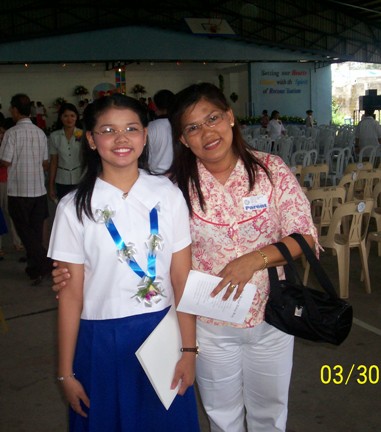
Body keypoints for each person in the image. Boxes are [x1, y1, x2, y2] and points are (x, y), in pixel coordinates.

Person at [52, 83, 318, 432]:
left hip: (272, 314)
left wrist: (255, 260)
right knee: (222, 415)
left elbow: (306, 236)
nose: (207, 132)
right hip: (209, 322)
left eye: (213, 118)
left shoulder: (269, 170)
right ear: (182, 139)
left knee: (270, 411)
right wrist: (75, 271)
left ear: (230, 118)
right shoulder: (176, 186)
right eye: (192, 127)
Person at [47, 93, 200, 432]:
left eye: (131, 128)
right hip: (99, 339)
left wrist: (189, 349)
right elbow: (70, 295)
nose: (121, 139)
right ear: (90, 139)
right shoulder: (73, 207)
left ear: (145, 136)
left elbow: (181, 278)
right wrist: (65, 372)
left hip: (162, 331)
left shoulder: (167, 194)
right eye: (107, 130)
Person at [0, 93, 51, 284]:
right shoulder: (39, 133)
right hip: (38, 189)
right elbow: (45, 162)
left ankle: (45, 263)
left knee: (25, 232)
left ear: (14, 110)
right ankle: (35, 269)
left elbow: (5, 161)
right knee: (35, 230)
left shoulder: (11, 133)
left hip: (18, 190)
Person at [48, 103, 83, 201]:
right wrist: (51, 186)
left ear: (77, 117)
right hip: (62, 179)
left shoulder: (81, 134)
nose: (69, 119)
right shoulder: (55, 136)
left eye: (72, 116)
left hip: (79, 178)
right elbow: (53, 162)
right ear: (60, 118)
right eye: (65, 116)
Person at [0, 120, 23, 258]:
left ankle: (17, 241)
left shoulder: (10, 143)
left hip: (10, 181)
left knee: (13, 213)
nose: (1, 135)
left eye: (3, 132)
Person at [147, 89, 175, 174]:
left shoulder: (150, 127)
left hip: (155, 174)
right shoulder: (180, 124)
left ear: (155, 106)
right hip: (178, 173)